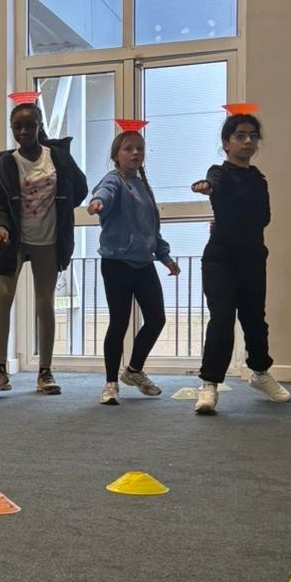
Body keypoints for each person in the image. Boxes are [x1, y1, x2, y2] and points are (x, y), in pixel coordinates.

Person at [0, 94, 88, 395]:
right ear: (12, 129)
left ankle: (45, 372)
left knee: (44, 302)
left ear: (39, 126)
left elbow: (79, 188)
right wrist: (1, 226)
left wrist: (62, 206)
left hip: (49, 239)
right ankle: (0, 369)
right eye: (17, 127)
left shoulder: (58, 158)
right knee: (3, 296)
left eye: (30, 126)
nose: (24, 132)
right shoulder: (5, 164)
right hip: (14, 241)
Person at [190, 108, 291, 415]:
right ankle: (209, 383)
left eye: (253, 136)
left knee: (255, 319)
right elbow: (213, 184)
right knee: (222, 319)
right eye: (240, 136)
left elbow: (264, 218)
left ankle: (260, 373)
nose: (247, 141)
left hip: (252, 258)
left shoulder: (259, 179)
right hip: (220, 259)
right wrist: (206, 188)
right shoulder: (218, 173)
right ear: (226, 143)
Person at [86, 122, 181, 406]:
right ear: (117, 155)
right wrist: (97, 203)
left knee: (157, 319)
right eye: (128, 149)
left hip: (143, 264)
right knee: (119, 322)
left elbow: (151, 228)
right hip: (117, 263)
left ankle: (134, 370)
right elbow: (104, 192)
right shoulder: (113, 180)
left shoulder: (143, 186)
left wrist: (165, 257)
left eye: (139, 148)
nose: (135, 153)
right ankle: (110, 383)